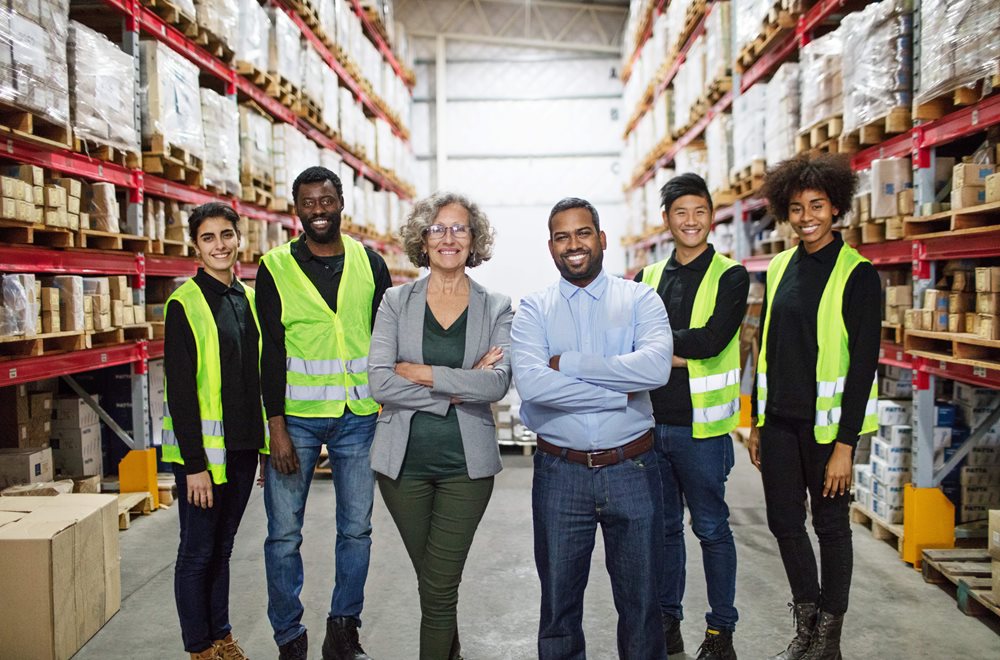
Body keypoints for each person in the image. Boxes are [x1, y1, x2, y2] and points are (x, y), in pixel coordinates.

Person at [511, 197, 674, 660]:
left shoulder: (640, 298)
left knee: (643, 606)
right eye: (562, 236)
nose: (573, 244)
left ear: (601, 239)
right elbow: (533, 383)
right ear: (551, 247)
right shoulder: (533, 309)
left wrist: (571, 365)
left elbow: (656, 368)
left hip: (633, 468)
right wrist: (617, 390)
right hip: (560, 474)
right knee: (559, 608)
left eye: (583, 233)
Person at [368, 192, 513, 660]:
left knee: (439, 587)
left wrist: (423, 373)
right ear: (423, 239)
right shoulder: (395, 301)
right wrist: (454, 389)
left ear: (475, 240)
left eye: (460, 229)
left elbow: (496, 385)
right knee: (434, 585)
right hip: (401, 468)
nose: (448, 238)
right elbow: (378, 380)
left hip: (465, 470)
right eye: (438, 229)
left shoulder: (495, 306)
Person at [256, 166, 393, 660]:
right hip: (296, 418)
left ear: (341, 203)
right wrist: (276, 428)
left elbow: (386, 339)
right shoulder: (273, 267)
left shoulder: (370, 263)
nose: (319, 210)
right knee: (283, 533)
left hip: (358, 415)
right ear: (297, 209)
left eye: (327, 200)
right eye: (309, 202)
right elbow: (269, 350)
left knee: (356, 527)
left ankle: (343, 627)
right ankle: (289, 637)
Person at [747, 154, 880, 660]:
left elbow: (863, 368)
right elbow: (767, 349)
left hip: (828, 433)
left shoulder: (859, 275)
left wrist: (846, 445)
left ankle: (828, 639)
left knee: (830, 527)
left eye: (818, 206)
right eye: (798, 207)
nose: (807, 217)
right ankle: (806, 624)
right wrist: (757, 419)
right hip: (778, 424)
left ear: (836, 207)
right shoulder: (780, 266)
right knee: (784, 523)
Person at [636, 173, 748, 660]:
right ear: (666, 220)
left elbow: (713, 340)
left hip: (701, 429)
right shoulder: (648, 277)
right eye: (680, 212)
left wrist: (659, 349)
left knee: (711, 528)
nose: (690, 221)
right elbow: (635, 340)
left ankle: (721, 631)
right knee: (662, 530)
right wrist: (671, 350)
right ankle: (668, 623)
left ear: (711, 216)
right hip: (649, 423)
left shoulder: (732, 275)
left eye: (699, 212)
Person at [162, 202, 266, 660]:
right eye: (208, 238)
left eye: (227, 235)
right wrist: (194, 467)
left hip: (243, 447)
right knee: (196, 551)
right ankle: (199, 647)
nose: (220, 245)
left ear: (238, 238)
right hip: (204, 457)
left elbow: (256, 377)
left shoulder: (247, 297)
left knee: (222, 549)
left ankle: (221, 635)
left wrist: (264, 444)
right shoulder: (184, 303)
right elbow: (181, 393)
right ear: (196, 247)